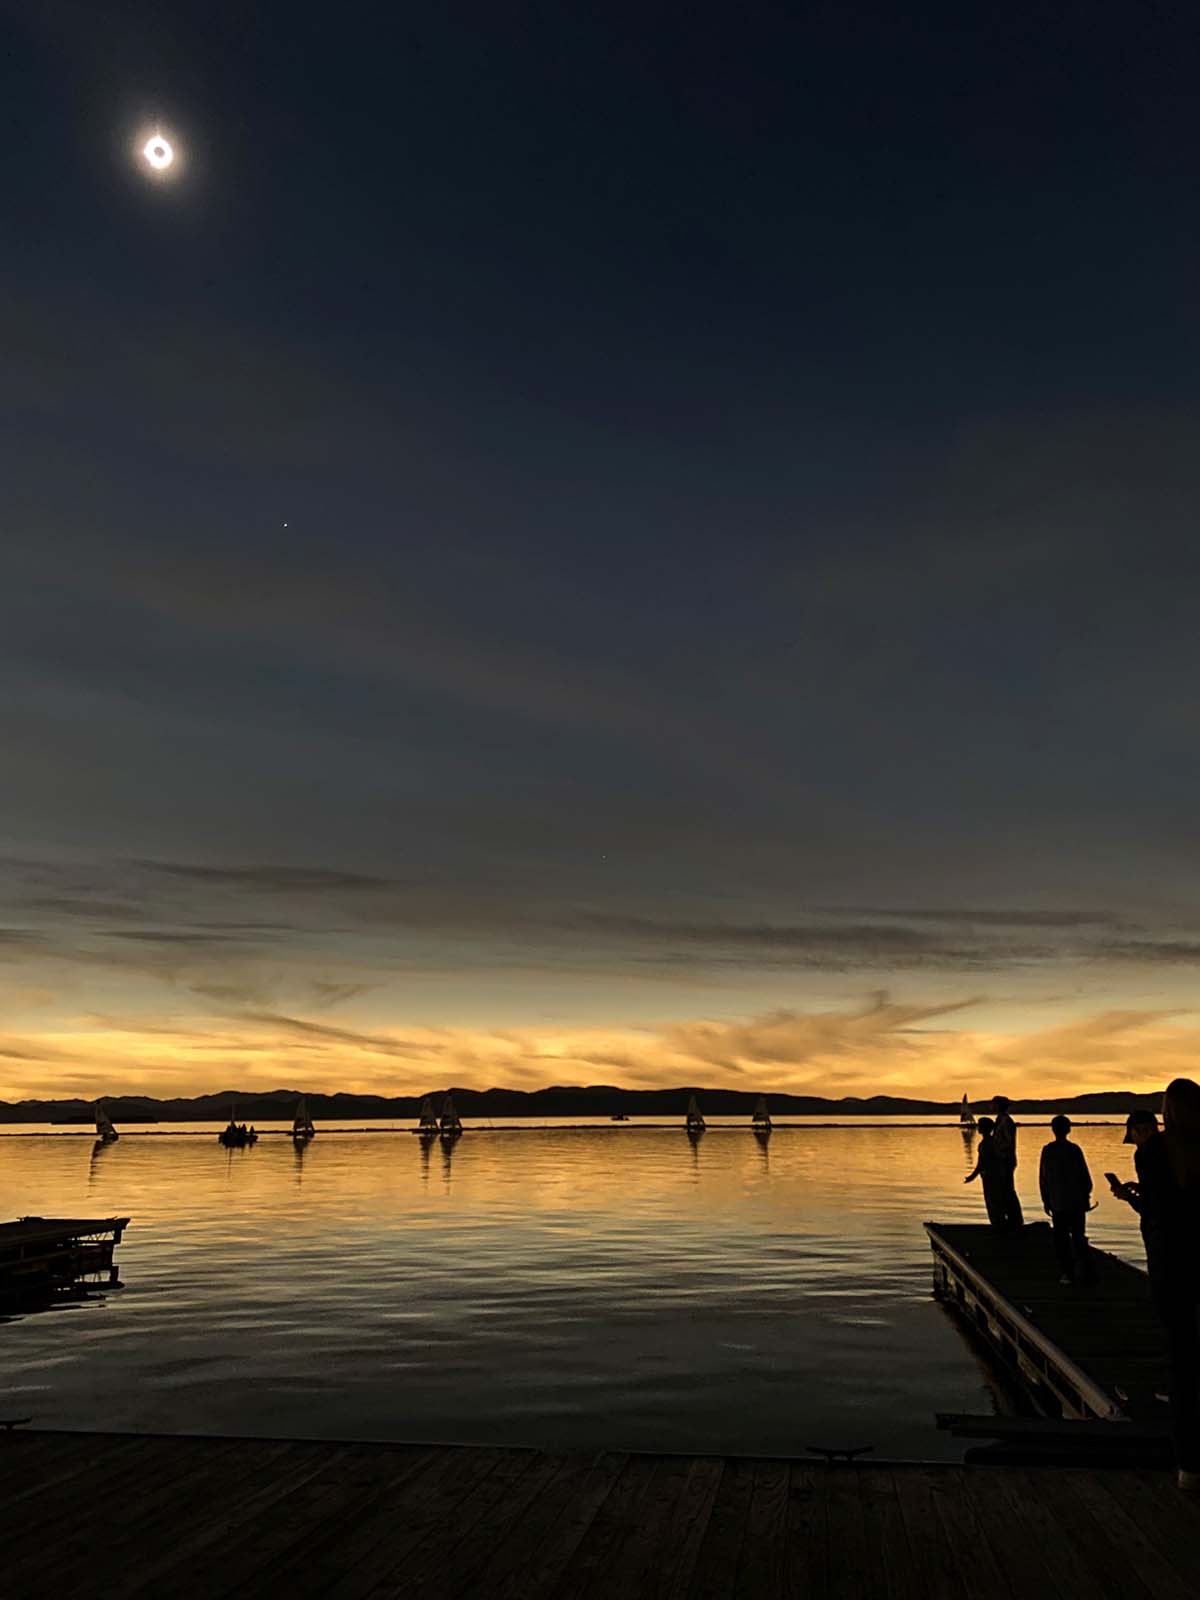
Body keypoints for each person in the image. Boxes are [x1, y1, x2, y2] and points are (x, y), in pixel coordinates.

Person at [1121, 1082, 1200, 1489]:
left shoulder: (1154, 1151)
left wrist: (1134, 1197)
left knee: (1183, 1359)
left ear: (1166, 1111)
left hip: (1172, 1266)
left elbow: (1158, 1209)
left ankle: (1190, 1465)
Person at [1038, 1116, 1094, 1284]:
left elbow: (1043, 1178)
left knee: (1061, 1239)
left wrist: (1046, 1199)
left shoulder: (1048, 1150)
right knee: (1078, 1237)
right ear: (1068, 1129)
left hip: (1058, 1202)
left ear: (1053, 1130)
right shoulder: (1074, 1149)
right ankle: (1086, 1272)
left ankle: (1068, 1273)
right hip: (1076, 1201)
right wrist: (1086, 1195)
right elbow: (1085, 1176)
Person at [964, 1117, 1008, 1226]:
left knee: (993, 1202)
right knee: (995, 1201)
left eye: (980, 1125)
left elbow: (982, 1163)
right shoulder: (992, 1142)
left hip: (991, 1177)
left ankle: (998, 1225)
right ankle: (999, 1224)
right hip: (993, 1176)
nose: (978, 1127)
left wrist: (972, 1176)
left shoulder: (986, 1144)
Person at [989, 1095, 1023, 1228]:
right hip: (1002, 1160)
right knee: (1004, 1190)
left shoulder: (1006, 1121)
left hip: (1006, 1160)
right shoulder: (1000, 1120)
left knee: (1008, 1190)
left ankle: (1015, 1219)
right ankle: (1010, 1218)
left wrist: (996, 1149)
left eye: (993, 1104)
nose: (991, 1106)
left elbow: (1008, 1142)